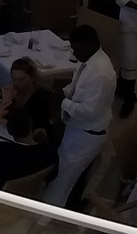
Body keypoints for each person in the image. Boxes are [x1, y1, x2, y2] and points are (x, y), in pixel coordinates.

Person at [43, 24, 116, 205]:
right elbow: (76, 88)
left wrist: (63, 102)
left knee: (62, 180)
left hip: (87, 135)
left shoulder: (101, 74)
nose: (74, 54)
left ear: (90, 44)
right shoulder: (87, 62)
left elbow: (89, 112)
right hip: (76, 129)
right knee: (66, 176)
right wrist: (64, 92)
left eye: (76, 49)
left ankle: (46, 219)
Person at [0, 58, 59, 187]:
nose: (17, 83)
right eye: (14, 79)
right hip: (26, 187)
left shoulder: (41, 100)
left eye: (22, 79)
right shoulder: (51, 154)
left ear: (32, 78)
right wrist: (6, 99)